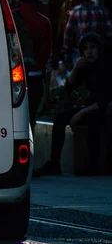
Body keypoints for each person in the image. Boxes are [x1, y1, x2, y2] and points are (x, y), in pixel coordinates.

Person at [35, 32, 112, 177]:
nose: (89, 52)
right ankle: (54, 163)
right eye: (86, 48)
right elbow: (68, 89)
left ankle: (93, 166)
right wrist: (76, 69)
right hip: (91, 107)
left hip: (104, 108)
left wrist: (81, 113)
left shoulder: (107, 67)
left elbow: (105, 99)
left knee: (94, 121)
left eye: (93, 48)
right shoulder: (86, 66)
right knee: (60, 118)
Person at [13, 0, 52, 130]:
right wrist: (47, 85)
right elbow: (46, 56)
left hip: (13, 77)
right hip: (35, 78)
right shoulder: (43, 21)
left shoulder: (10, 18)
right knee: (31, 119)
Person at [62, 0, 112, 68]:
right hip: (100, 52)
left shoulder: (75, 11)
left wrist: (66, 49)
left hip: (83, 51)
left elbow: (68, 34)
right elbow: (109, 32)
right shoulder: (102, 10)